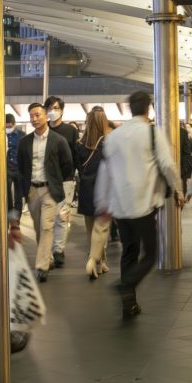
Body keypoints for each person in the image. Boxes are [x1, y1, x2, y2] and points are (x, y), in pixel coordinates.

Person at [91, 89, 183, 319]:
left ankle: (129, 304)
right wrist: (179, 189)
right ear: (148, 108)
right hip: (143, 203)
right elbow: (167, 165)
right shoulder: (152, 133)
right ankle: (126, 283)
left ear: (130, 108)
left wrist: (102, 203)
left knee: (129, 252)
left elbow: (105, 171)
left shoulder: (114, 136)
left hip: (119, 205)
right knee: (151, 253)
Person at [11, 102, 74, 283]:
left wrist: (56, 182)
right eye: (31, 116)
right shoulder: (24, 143)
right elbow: (21, 168)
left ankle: (42, 266)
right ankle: (48, 257)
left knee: (47, 226)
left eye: (37, 115)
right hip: (32, 190)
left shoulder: (58, 141)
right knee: (39, 227)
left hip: (49, 190)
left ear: (46, 116)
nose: (34, 119)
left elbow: (67, 164)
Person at [75, 106, 115, 280]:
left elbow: (77, 167)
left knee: (91, 229)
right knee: (102, 229)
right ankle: (95, 261)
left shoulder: (80, 145)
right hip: (104, 190)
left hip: (85, 189)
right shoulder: (109, 144)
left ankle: (100, 261)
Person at [44, 96, 81, 269]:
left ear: (62, 110)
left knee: (62, 216)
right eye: (50, 107)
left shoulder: (70, 131)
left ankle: (58, 250)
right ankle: (48, 251)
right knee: (46, 219)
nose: (53, 111)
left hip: (65, 180)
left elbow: (75, 155)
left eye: (56, 107)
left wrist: (75, 174)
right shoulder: (42, 131)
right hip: (46, 180)